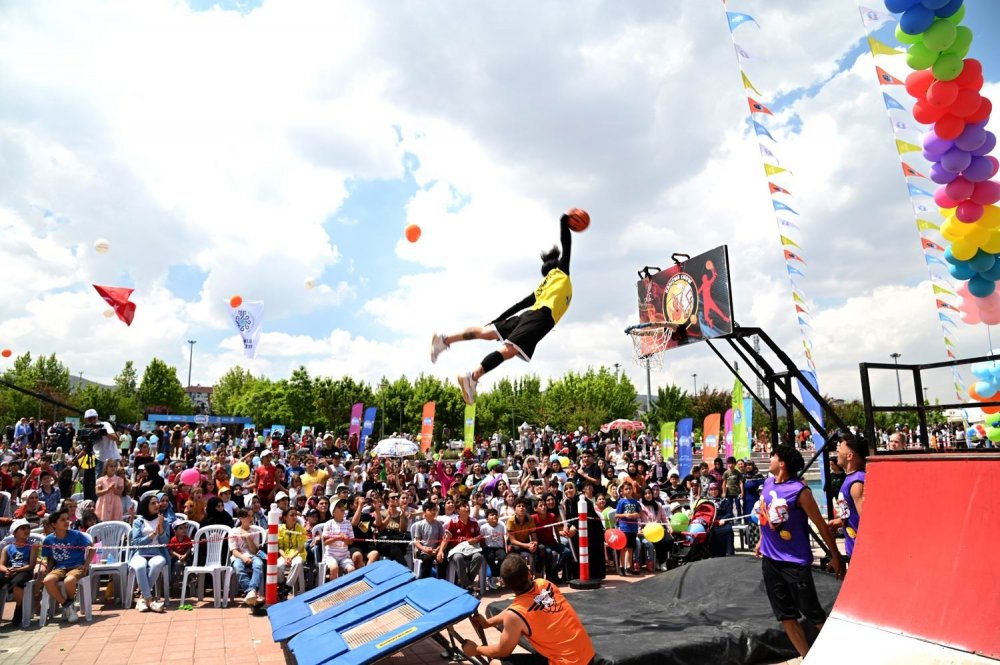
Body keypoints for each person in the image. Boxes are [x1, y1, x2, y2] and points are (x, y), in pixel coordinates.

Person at [431, 214, 575, 405]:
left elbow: (520, 304)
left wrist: (499, 318)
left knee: (486, 332)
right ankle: (472, 377)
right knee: (509, 351)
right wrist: (563, 222)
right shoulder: (561, 274)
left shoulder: (542, 287)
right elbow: (567, 245)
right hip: (541, 319)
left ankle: (444, 340)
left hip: (527, 316)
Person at [755, 444, 844, 658]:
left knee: (814, 615)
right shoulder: (768, 483)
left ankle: (837, 659)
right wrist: (761, 539)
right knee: (786, 615)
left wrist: (836, 557)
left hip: (795, 564)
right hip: (770, 562)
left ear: (782, 463)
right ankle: (807, 658)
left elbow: (821, 526)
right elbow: (764, 515)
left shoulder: (800, 491)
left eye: (774, 456)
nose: (770, 458)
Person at [461, 554, 595, 665]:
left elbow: (503, 651)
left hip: (566, 663)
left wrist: (476, 649)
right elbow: (521, 606)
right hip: (588, 656)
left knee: (496, 663)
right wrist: (488, 623)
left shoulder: (515, 615)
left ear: (506, 585)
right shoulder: (545, 584)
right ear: (530, 575)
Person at [41, 509, 94, 623]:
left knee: (69, 581)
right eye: (62, 520)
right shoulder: (48, 540)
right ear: (54, 524)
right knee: (47, 581)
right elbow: (50, 559)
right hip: (59, 568)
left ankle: (69, 604)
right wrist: (48, 571)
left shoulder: (76, 535)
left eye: (67, 519)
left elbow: (92, 548)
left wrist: (86, 564)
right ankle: (68, 606)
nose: (67, 522)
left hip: (77, 567)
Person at [829, 432, 867, 560]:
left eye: (840, 448)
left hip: (862, 554)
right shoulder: (851, 478)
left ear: (850, 456)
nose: (837, 451)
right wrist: (840, 521)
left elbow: (867, 520)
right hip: (854, 551)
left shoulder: (857, 483)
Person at [129, 494, 169, 612]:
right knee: (140, 566)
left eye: (157, 502)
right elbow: (136, 542)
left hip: (156, 552)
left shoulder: (163, 520)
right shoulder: (138, 522)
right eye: (153, 503)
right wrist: (151, 536)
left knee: (157, 564)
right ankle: (150, 601)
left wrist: (161, 527)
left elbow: (165, 542)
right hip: (140, 553)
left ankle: (143, 598)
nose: (157, 505)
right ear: (146, 506)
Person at [0, 519, 37, 626]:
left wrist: (17, 570)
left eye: (28, 528)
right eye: (23, 528)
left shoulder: (32, 546)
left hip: (24, 571)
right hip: (10, 571)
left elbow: (31, 565)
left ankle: (19, 608)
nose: (27, 531)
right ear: (15, 532)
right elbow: (1, 564)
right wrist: (7, 570)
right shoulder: (7, 548)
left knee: (18, 582)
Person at [445, 499, 484, 592]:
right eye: (464, 506)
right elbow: (446, 538)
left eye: (468, 506)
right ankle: (468, 584)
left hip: (471, 549)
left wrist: (476, 539)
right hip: (457, 550)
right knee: (458, 558)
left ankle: (465, 583)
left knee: (478, 557)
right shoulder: (453, 522)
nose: (467, 508)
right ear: (458, 510)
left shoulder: (474, 522)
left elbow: (479, 537)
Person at [230, 507, 266, 606]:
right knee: (238, 567)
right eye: (248, 516)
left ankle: (251, 592)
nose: (251, 518)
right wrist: (243, 558)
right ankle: (252, 591)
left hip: (253, 555)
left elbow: (254, 551)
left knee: (258, 565)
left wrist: (248, 538)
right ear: (241, 518)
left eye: (252, 516)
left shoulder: (255, 530)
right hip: (239, 556)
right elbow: (234, 551)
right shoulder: (233, 532)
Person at [411, 501, 448, 580]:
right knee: (427, 559)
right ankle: (425, 580)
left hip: (436, 550)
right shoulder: (419, 525)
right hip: (424, 551)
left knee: (443, 559)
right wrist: (424, 549)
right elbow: (416, 542)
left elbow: (442, 540)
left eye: (434, 510)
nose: (433, 512)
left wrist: (437, 549)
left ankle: (442, 580)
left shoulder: (438, 525)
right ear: (424, 512)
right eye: (430, 510)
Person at [321, 499, 355, 581]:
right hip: (330, 555)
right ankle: (333, 590)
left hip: (344, 556)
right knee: (334, 568)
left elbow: (351, 542)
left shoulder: (348, 523)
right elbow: (325, 542)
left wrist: (345, 540)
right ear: (333, 512)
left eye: (343, 506)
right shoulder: (328, 523)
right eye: (339, 507)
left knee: (352, 570)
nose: (342, 508)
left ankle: (348, 589)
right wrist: (337, 538)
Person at [277, 507, 307, 594]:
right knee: (278, 566)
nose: (294, 517)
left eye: (295, 515)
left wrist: (290, 557)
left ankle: (287, 587)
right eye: (291, 515)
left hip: (298, 554)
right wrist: (286, 557)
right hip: (285, 554)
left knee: (297, 563)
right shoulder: (280, 529)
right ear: (285, 517)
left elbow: (300, 547)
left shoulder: (301, 529)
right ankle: (281, 584)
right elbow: (280, 547)